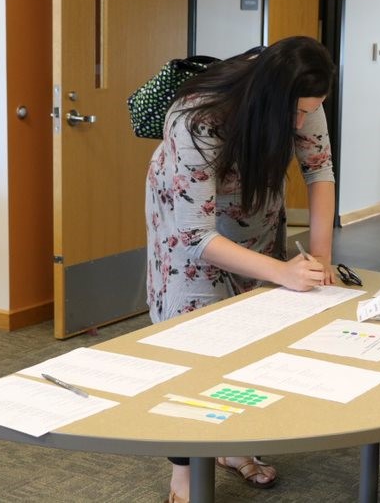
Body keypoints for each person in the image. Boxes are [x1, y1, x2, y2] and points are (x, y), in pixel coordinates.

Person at [144, 36, 337, 503]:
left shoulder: (304, 98)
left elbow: (319, 172)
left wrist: (319, 258)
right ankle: (185, 473)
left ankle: (231, 446)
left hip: (253, 210)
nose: (301, 122)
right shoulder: (197, 116)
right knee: (194, 346)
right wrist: (283, 272)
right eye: (295, 113)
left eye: (309, 112)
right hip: (192, 226)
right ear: (271, 97)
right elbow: (196, 237)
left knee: (252, 337)